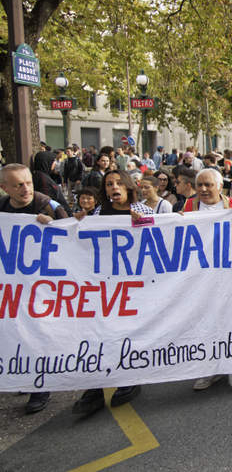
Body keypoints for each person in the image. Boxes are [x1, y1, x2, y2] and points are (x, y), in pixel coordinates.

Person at [71, 170, 153, 415]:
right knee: (101, 333)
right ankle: (96, 389)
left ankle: (129, 380)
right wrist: (73, 224)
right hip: (104, 285)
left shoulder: (144, 211)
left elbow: (161, 236)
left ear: (128, 187)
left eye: (118, 183)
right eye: (108, 184)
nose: (113, 187)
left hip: (134, 284)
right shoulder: (96, 214)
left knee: (126, 332)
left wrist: (141, 223)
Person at [0, 164, 69, 414]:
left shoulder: (48, 204)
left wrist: (52, 226)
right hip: (16, 285)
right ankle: (25, 375)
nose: (25, 188)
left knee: (38, 331)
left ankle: (41, 386)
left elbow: (74, 233)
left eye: (28, 182)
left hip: (46, 286)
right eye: (18, 185)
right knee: (17, 332)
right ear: (4, 188)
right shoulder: (3, 209)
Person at [180, 168, 232, 391]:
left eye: (209, 185)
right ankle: (208, 370)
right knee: (204, 322)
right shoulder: (188, 207)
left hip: (231, 274)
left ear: (220, 187)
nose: (204, 189)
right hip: (201, 277)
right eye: (200, 185)